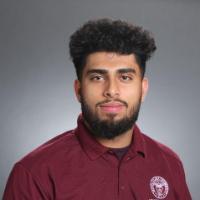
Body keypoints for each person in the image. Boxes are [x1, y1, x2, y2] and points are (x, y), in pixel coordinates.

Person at [3, 18, 192, 200]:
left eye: (125, 77)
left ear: (142, 89)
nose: (111, 90)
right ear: (78, 90)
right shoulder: (34, 174)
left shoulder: (169, 164)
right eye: (97, 77)